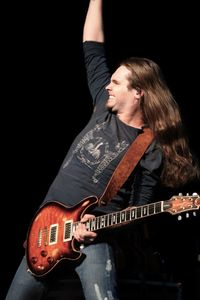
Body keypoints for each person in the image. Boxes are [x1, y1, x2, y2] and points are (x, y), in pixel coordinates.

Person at [5, 0, 200, 299]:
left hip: (95, 238)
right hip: (44, 231)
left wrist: (99, 226)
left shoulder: (150, 146)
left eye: (116, 82)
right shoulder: (102, 108)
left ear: (138, 93)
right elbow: (92, 45)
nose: (108, 86)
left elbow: (137, 212)